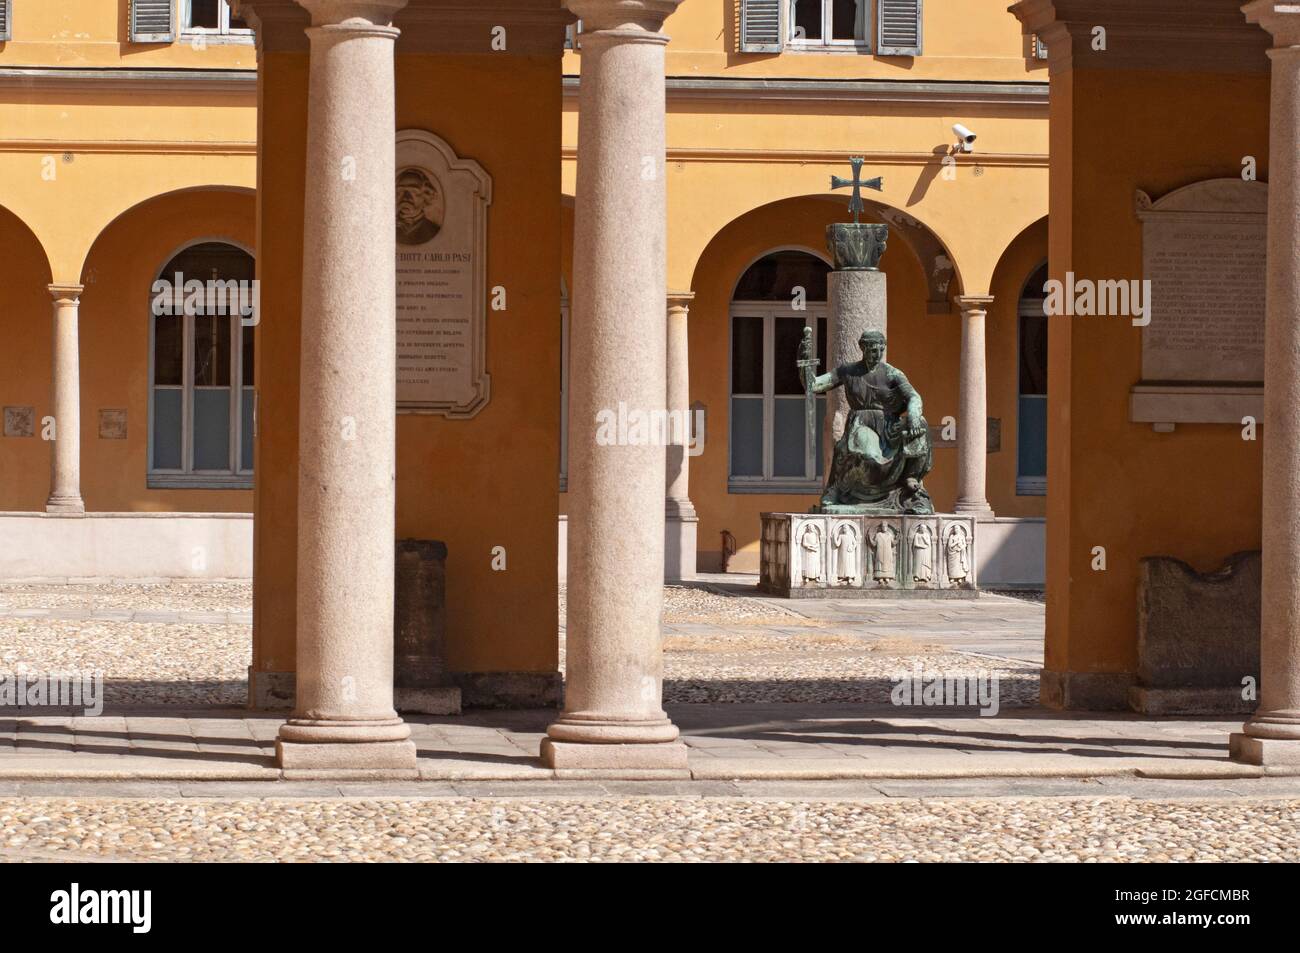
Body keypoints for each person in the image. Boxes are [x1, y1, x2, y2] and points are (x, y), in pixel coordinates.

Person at [800, 328, 934, 513]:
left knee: (922, 426)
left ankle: (911, 478)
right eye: (872, 350)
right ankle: (842, 490)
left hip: (889, 426)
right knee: (869, 454)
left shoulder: (892, 373)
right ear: (863, 348)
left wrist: (913, 414)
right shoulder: (848, 371)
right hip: (862, 424)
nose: (877, 354)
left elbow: (913, 396)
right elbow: (814, 385)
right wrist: (804, 363)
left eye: (880, 350)